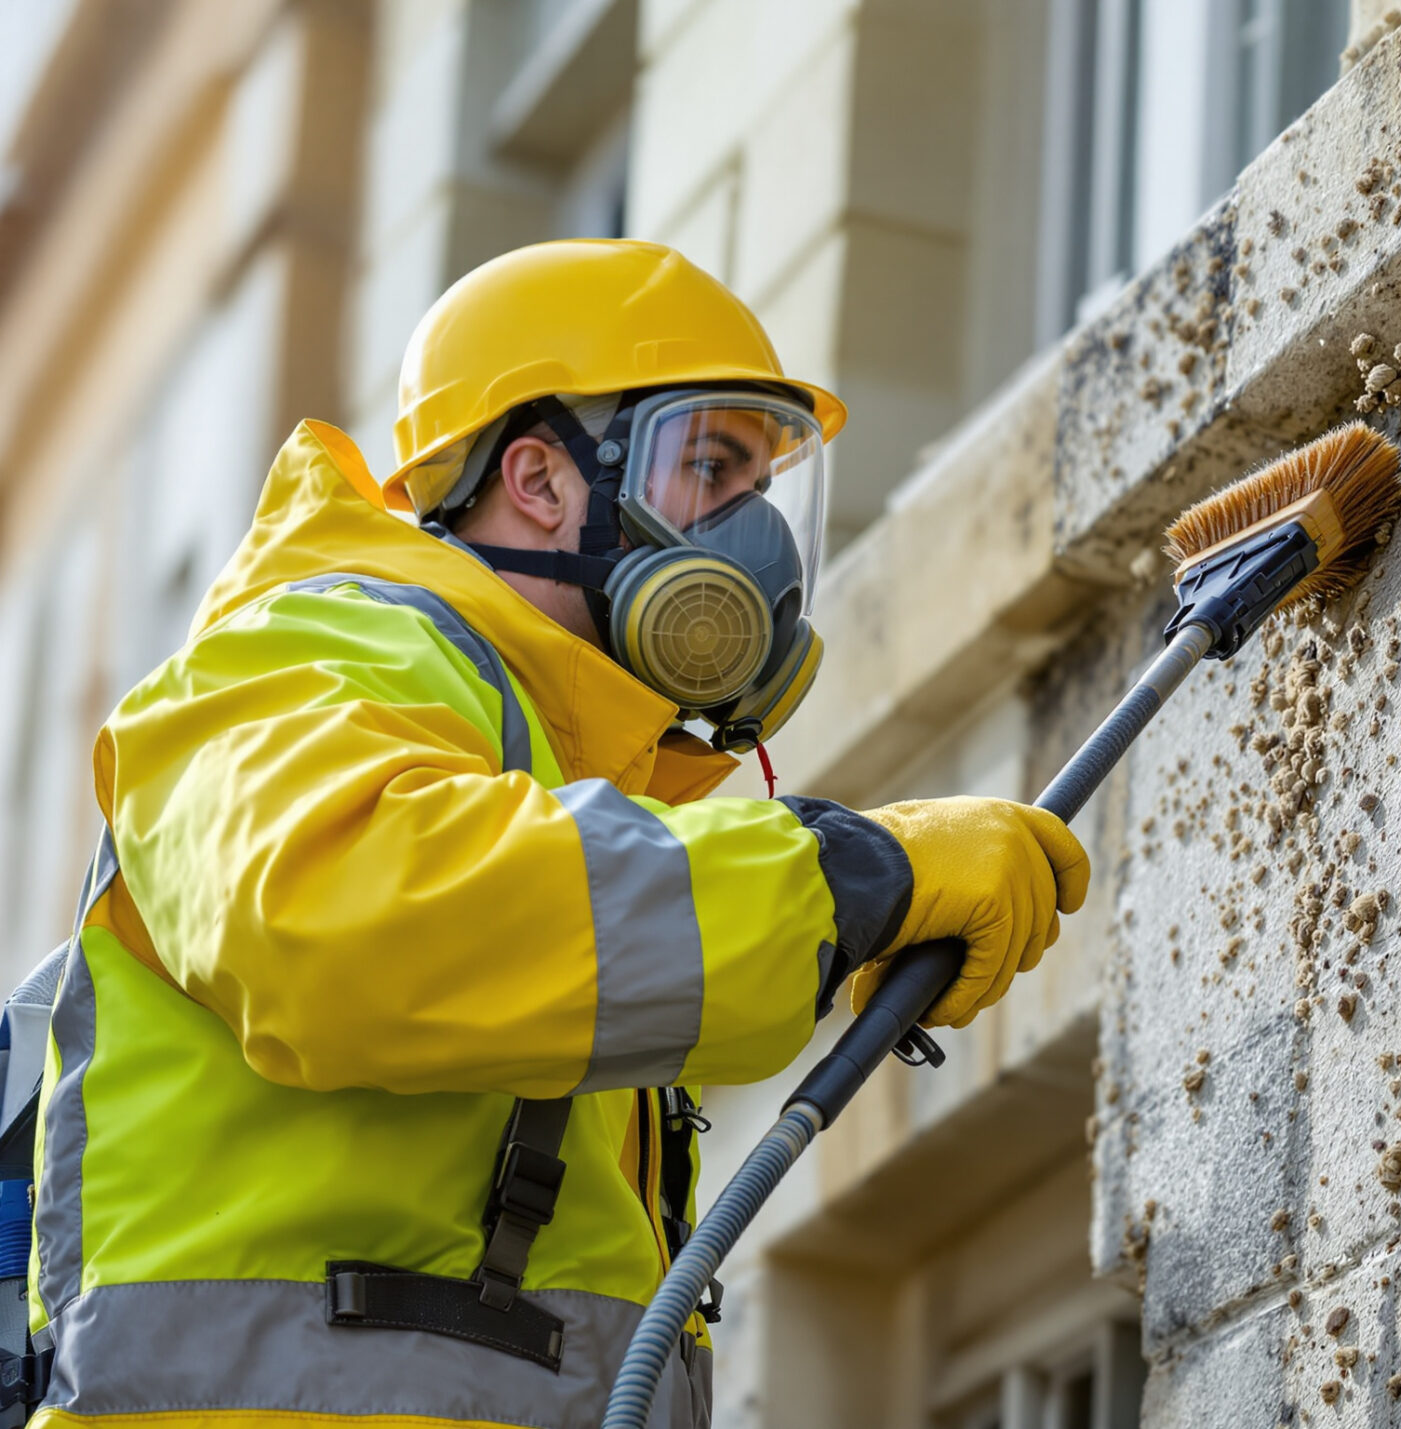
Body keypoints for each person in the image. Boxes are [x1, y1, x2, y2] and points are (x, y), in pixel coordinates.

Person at [21, 240, 1084, 1426]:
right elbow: (357, 919)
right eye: (709, 464)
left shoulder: (555, 778)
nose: (754, 532)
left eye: (761, 485)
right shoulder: (305, 655)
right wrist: (839, 884)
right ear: (539, 479)